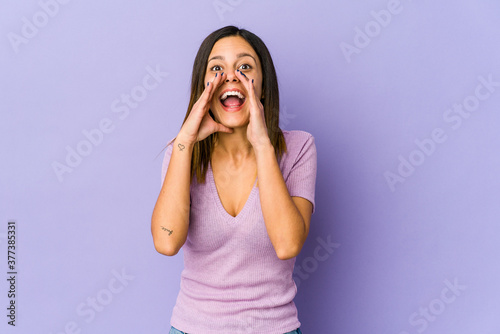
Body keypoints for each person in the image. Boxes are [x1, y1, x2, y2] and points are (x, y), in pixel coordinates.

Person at [151, 25, 317, 334]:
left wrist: (263, 145)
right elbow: (166, 241)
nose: (231, 76)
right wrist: (184, 142)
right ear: (204, 88)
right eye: (217, 68)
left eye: (244, 67)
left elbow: (287, 244)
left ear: (263, 86)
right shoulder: (182, 154)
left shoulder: (298, 148)